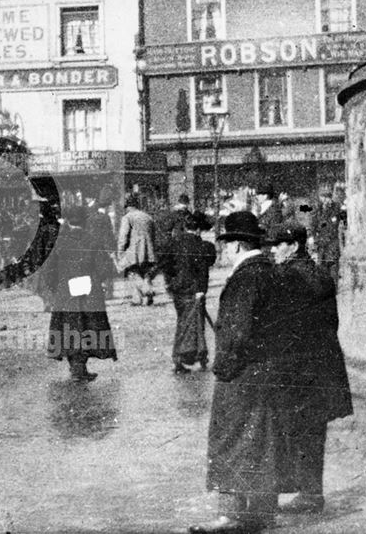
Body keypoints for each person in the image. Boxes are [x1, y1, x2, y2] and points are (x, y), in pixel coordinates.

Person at [190, 211, 279, 534]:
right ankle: (261, 511)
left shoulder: (245, 278)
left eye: (227, 246)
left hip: (241, 375)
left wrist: (223, 368)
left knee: (230, 437)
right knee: (261, 439)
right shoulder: (271, 272)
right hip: (266, 371)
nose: (225, 252)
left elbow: (237, 333)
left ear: (239, 246)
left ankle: (229, 514)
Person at [266, 223, 353, 514]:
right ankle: (311, 491)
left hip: (298, 367)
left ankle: (305, 493)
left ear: (292, 246)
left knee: (293, 429)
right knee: (313, 431)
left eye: (278, 244)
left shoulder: (286, 276)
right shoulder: (320, 274)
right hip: (324, 364)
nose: (273, 249)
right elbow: (332, 321)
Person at [42, 206, 118, 382]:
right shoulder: (92, 240)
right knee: (87, 328)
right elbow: (104, 268)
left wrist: (56, 288)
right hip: (89, 293)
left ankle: (76, 366)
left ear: (67, 221)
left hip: (65, 293)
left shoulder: (59, 242)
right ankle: (79, 367)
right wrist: (96, 280)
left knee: (69, 327)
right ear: (84, 221)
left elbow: (48, 271)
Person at [156, 211, 217, 374]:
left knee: (183, 320)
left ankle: (187, 356)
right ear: (197, 229)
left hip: (178, 289)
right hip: (193, 289)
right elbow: (203, 270)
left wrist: (171, 280)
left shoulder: (174, 243)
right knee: (194, 323)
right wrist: (201, 290)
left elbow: (163, 261)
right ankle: (190, 354)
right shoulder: (200, 245)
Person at [116, 193, 156, 306]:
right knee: (146, 273)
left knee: (133, 273)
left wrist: (120, 252)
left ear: (127, 206)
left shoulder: (128, 217)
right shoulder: (148, 216)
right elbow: (153, 234)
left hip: (134, 250)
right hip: (149, 249)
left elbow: (123, 237)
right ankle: (140, 298)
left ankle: (146, 290)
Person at [311, 189, 343, 281]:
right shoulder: (318, 209)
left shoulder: (336, 208)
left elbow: (338, 224)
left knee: (333, 273)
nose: (325, 200)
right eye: (323, 198)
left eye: (327, 198)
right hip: (321, 247)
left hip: (332, 246)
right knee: (321, 273)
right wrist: (313, 239)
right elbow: (313, 225)